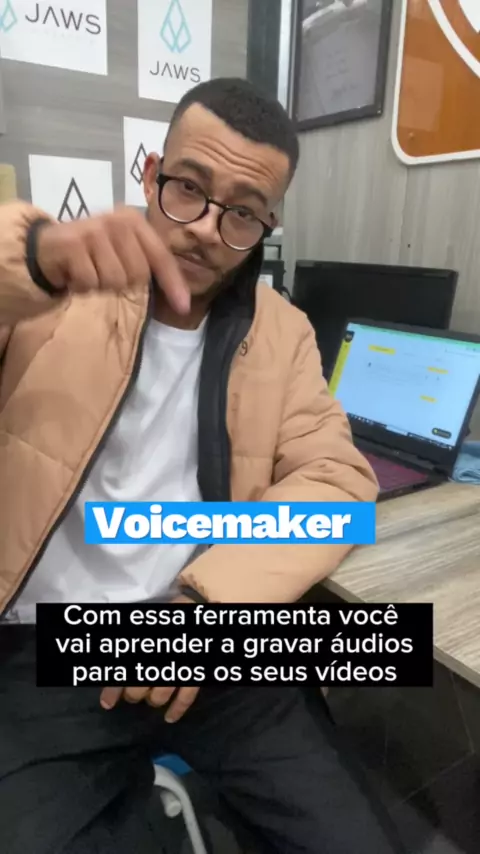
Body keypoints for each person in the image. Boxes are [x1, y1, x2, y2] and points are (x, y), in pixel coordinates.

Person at [0, 78, 403, 854]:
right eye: (189, 187)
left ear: (268, 225)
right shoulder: (54, 288)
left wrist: (209, 604)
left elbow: (338, 482)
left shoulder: (281, 331)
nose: (207, 230)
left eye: (243, 212)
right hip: (45, 653)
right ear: (151, 173)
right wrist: (33, 260)